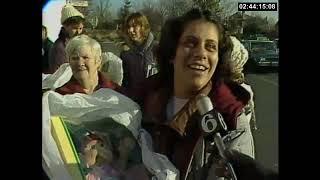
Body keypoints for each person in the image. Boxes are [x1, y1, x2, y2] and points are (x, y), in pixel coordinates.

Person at [129, 8, 255, 180]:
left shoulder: (231, 118)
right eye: (190, 43)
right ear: (172, 53)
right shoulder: (140, 101)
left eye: (211, 47)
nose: (201, 53)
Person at [55, 34, 122, 95]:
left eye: (85, 58)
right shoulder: (61, 95)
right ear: (69, 61)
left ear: (98, 61)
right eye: (74, 58)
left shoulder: (115, 92)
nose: (80, 63)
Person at [120, 12, 159, 91]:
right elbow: (125, 84)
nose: (130, 30)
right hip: (133, 100)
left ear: (144, 27)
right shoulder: (126, 54)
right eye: (129, 27)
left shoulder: (158, 49)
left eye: (134, 26)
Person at [48, 4, 85, 73]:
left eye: (80, 28)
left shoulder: (77, 43)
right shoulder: (60, 47)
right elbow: (61, 75)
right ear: (65, 26)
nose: (78, 32)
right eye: (74, 28)